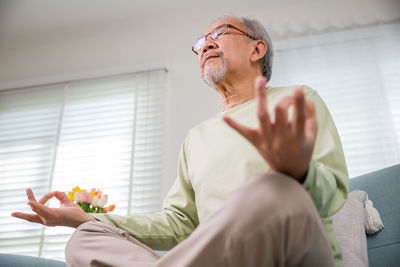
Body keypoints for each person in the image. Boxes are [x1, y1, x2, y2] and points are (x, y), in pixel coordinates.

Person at [11, 16, 348, 267]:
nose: (207, 45)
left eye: (220, 33)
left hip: (290, 252)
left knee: (270, 188)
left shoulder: (298, 98)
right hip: (219, 259)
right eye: (201, 43)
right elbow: (179, 223)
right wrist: (90, 218)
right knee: (85, 240)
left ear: (257, 48)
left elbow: (333, 193)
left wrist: (297, 172)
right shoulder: (196, 139)